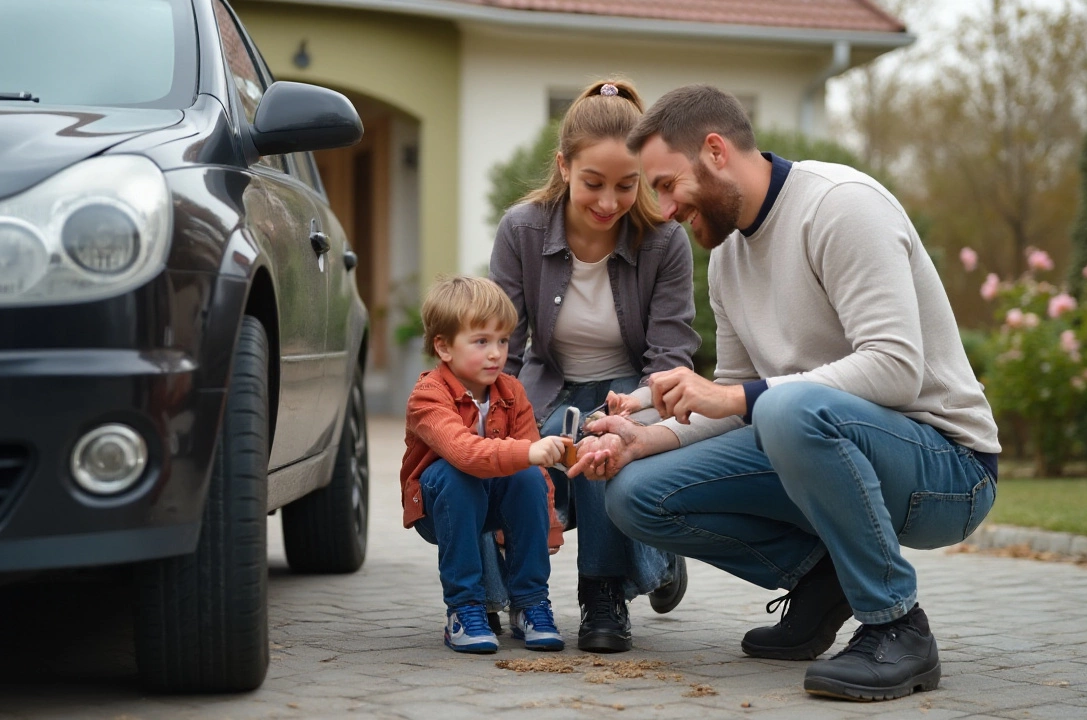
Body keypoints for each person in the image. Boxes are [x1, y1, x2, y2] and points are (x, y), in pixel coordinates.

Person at [570, 84, 1000, 701]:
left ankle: (897, 625)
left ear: (715, 151)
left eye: (665, 184)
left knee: (785, 407)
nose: (662, 210)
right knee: (635, 494)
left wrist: (744, 399)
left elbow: (895, 368)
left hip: (947, 468)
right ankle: (825, 577)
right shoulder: (726, 261)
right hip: (816, 442)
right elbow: (732, 399)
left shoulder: (841, 207)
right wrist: (646, 438)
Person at [489, 78, 700, 653]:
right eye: (593, 184)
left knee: (599, 441)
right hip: (549, 385)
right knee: (519, 452)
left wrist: (639, 412)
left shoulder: (665, 242)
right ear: (563, 166)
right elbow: (503, 348)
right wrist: (490, 419)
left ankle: (601, 593)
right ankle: (507, 590)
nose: (609, 202)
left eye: (627, 186)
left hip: (633, 387)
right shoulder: (521, 231)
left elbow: (670, 354)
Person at [400, 275, 569, 654]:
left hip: (492, 501)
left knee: (527, 476)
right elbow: (463, 453)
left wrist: (549, 528)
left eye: (503, 340)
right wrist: (529, 452)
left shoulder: (512, 391)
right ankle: (464, 608)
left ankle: (530, 605)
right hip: (439, 507)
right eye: (481, 341)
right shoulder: (427, 395)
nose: (496, 353)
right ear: (443, 347)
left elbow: (536, 469)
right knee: (456, 474)